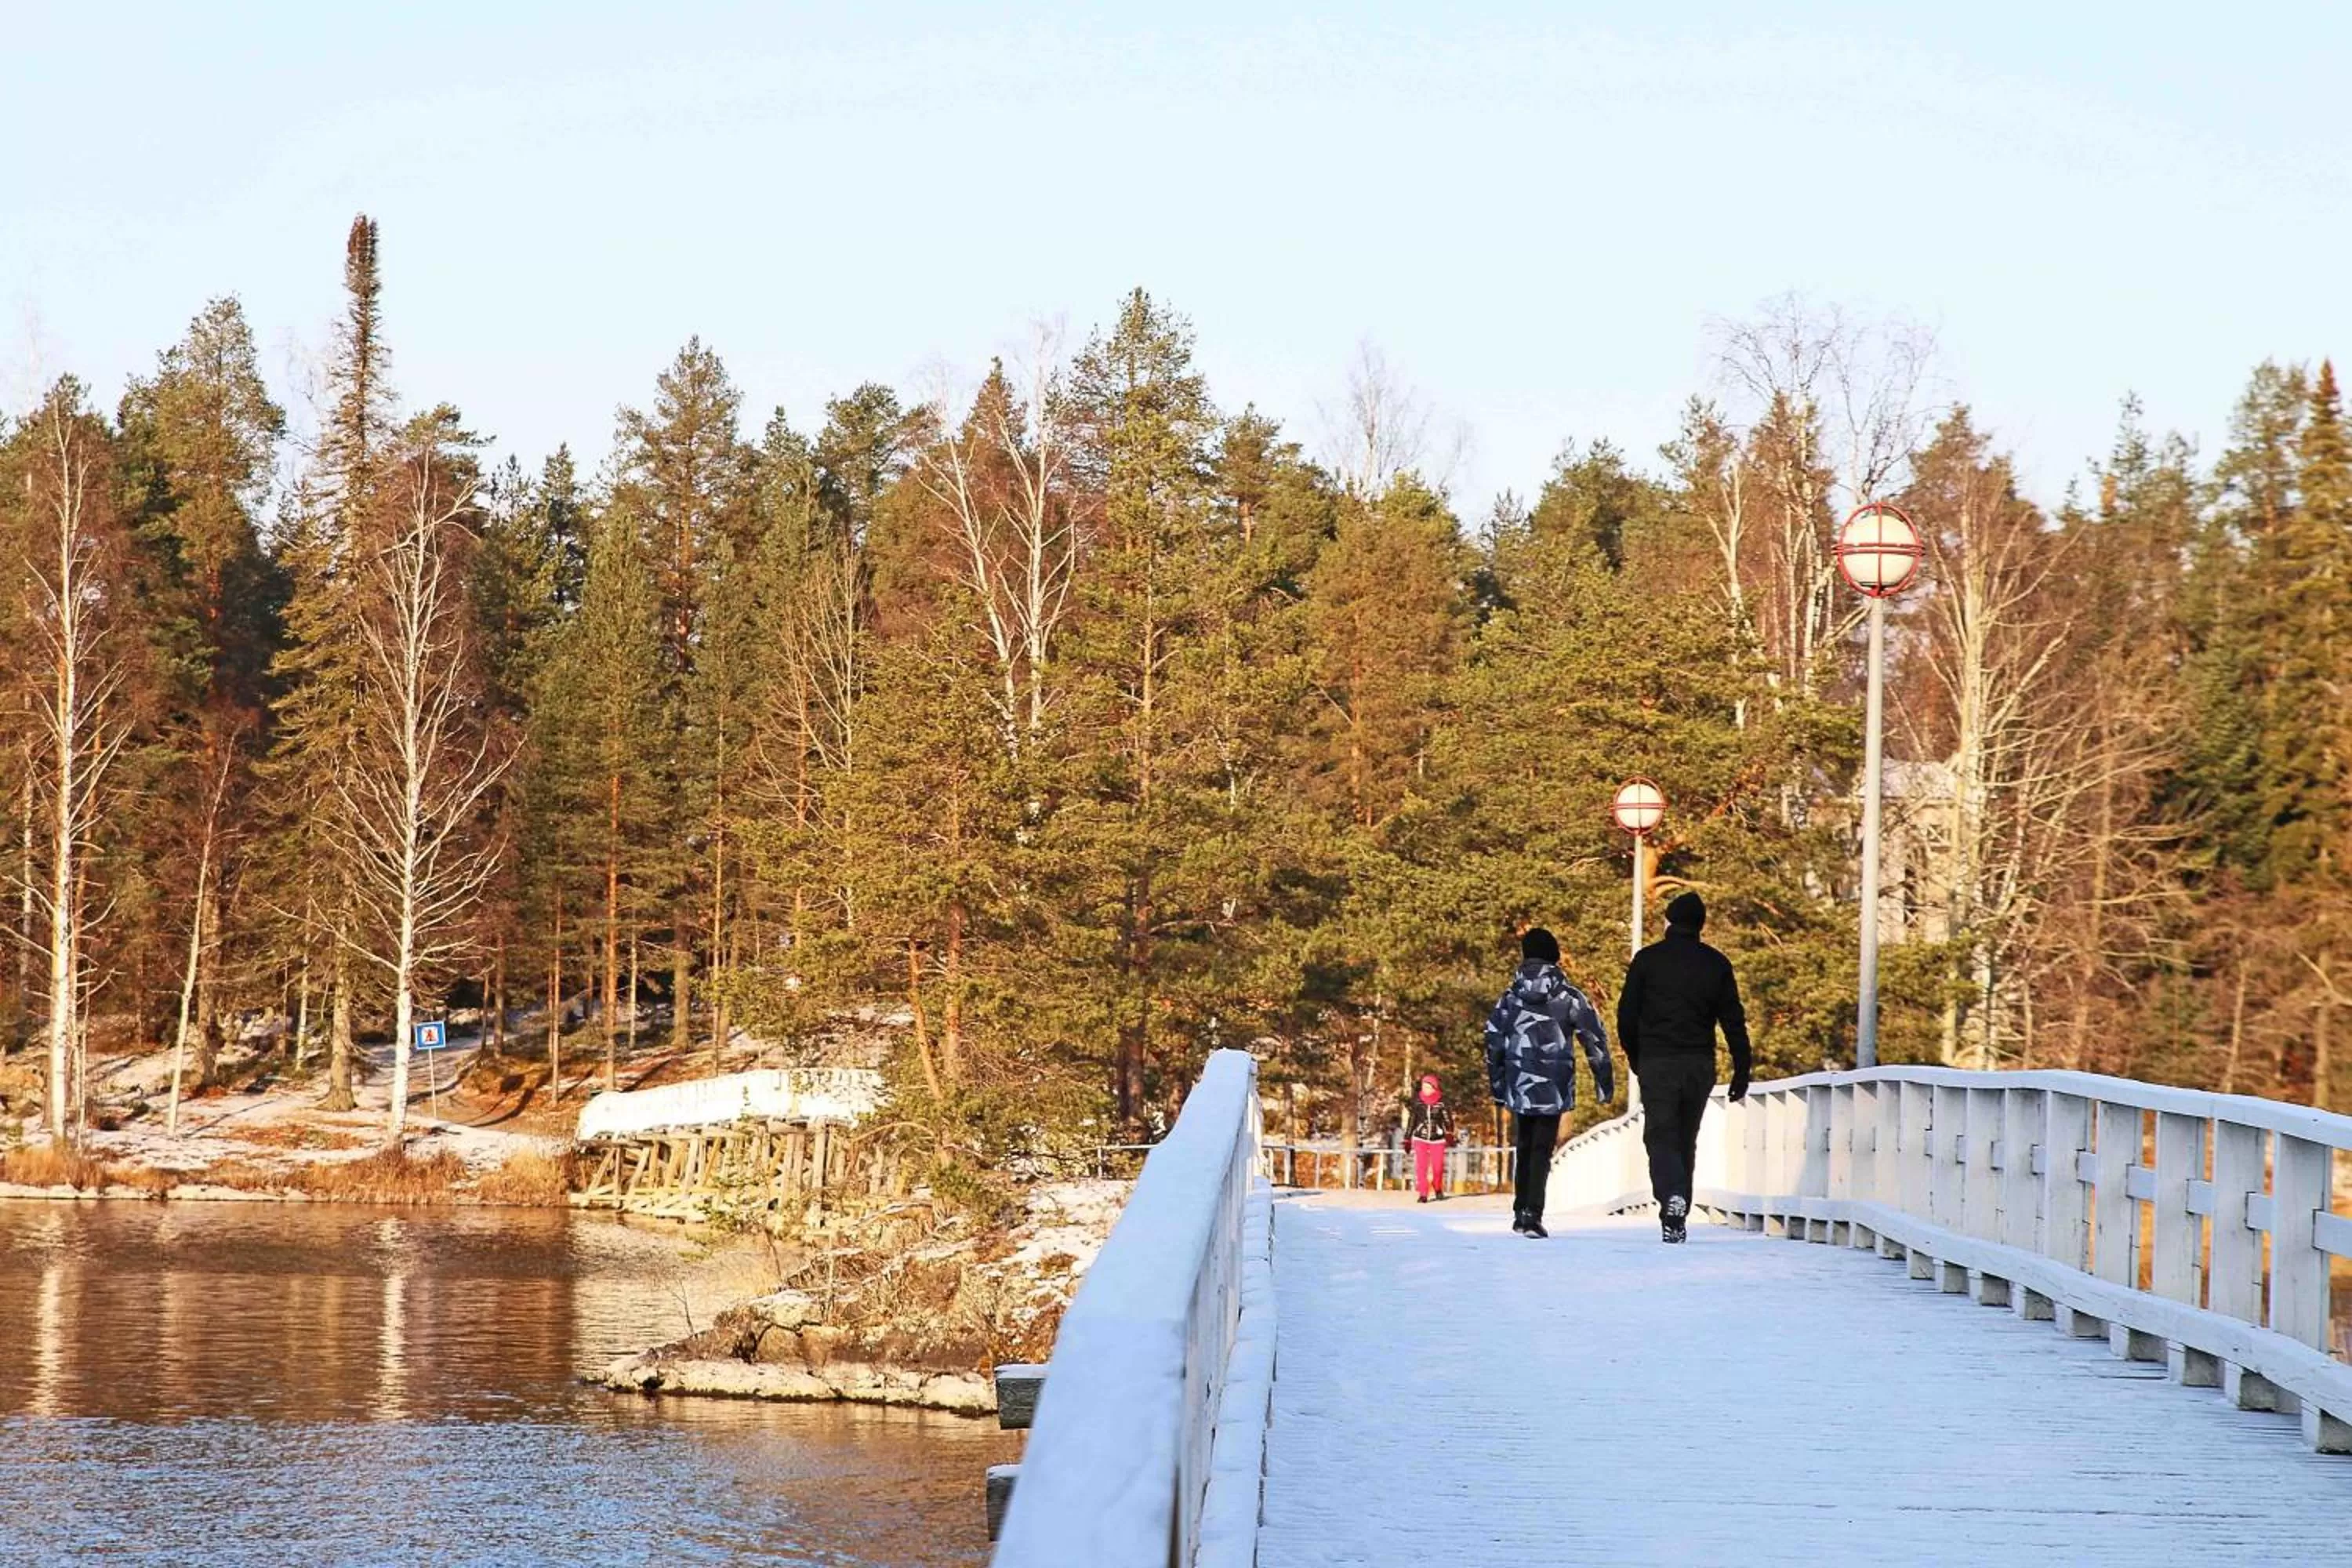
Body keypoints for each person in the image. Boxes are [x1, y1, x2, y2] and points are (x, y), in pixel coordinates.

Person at [1617, 891, 1751, 1244]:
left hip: (1657, 1061)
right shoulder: (1716, 963)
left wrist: (1636, 1056)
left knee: (1660, 1135)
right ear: (1700, 925)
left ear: (1669, 921)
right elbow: (1733, 1020)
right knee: (1685, 1137)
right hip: (1698, 1062)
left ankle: (1671, 1199)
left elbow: (1626, 1015)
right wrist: (1742, 1067)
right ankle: (1678, 1212)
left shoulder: (1647, 961)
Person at [1484, 927, 1613, 1238]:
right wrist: (1603, 1082)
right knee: (1542, 1147)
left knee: (1524, 1144)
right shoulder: (1569, 997)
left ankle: (1520, 1212)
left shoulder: (1510, 998)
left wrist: (1498, 1085)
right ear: (1554, 956)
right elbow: (1594, 1039)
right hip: (1554, 1085)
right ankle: (1532, 1213)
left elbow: (1493, 1042)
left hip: (1520, 1083)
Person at [1403, 1074, 1454, 1203]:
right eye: (1423, 1086)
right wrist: (1407, 1138)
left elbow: (1448, 1119)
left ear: (1434, 1087)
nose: (1425, 1089)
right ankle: (1423, 1193)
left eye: (1428, 1086)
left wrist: (1449, 1133)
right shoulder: (1417, 1101)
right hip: (1420, 1137)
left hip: (1437, 1138)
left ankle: (1437, 1187)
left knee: (1438, 1168)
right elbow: (1412, 1120)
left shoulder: (1442, 1101)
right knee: (1421, 1167)